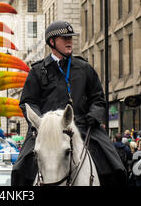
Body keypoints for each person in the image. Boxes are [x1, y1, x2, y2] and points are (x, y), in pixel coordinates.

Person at [11, 20, 127, 186]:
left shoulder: (84, 68)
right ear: (52, 42)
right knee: (19, 169)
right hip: (46, 130)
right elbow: (28, 102)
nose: (69, 41)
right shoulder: (37, 71)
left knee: (115, 164)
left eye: (70, 38)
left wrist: (92, 116)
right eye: (64, 38)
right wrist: (42, 122)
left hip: (82, 125)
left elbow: (98, 98)